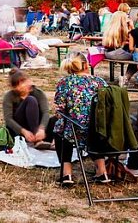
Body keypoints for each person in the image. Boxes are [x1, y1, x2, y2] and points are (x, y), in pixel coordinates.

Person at [52, 51, 110, 186]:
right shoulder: (99, 81)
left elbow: (60, 110)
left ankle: (66, 174)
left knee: (61, 126)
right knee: (89, 126)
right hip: (100, 130)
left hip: (76, 131)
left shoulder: (64, 83)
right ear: (86, 65)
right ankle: (102, 171)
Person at [2, 69, 50, 143]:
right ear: (15, 87)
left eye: (24, 81)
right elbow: (8, 119)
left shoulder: (38, 93)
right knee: (31, 100)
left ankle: (50, 141)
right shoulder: (9, 96)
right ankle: (37, 141)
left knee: (56, 119)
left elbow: (45, 112)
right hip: (20, 128)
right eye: (20, 84)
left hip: (38, 127)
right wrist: (23, 131)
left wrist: (42, 128)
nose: (24, 85)